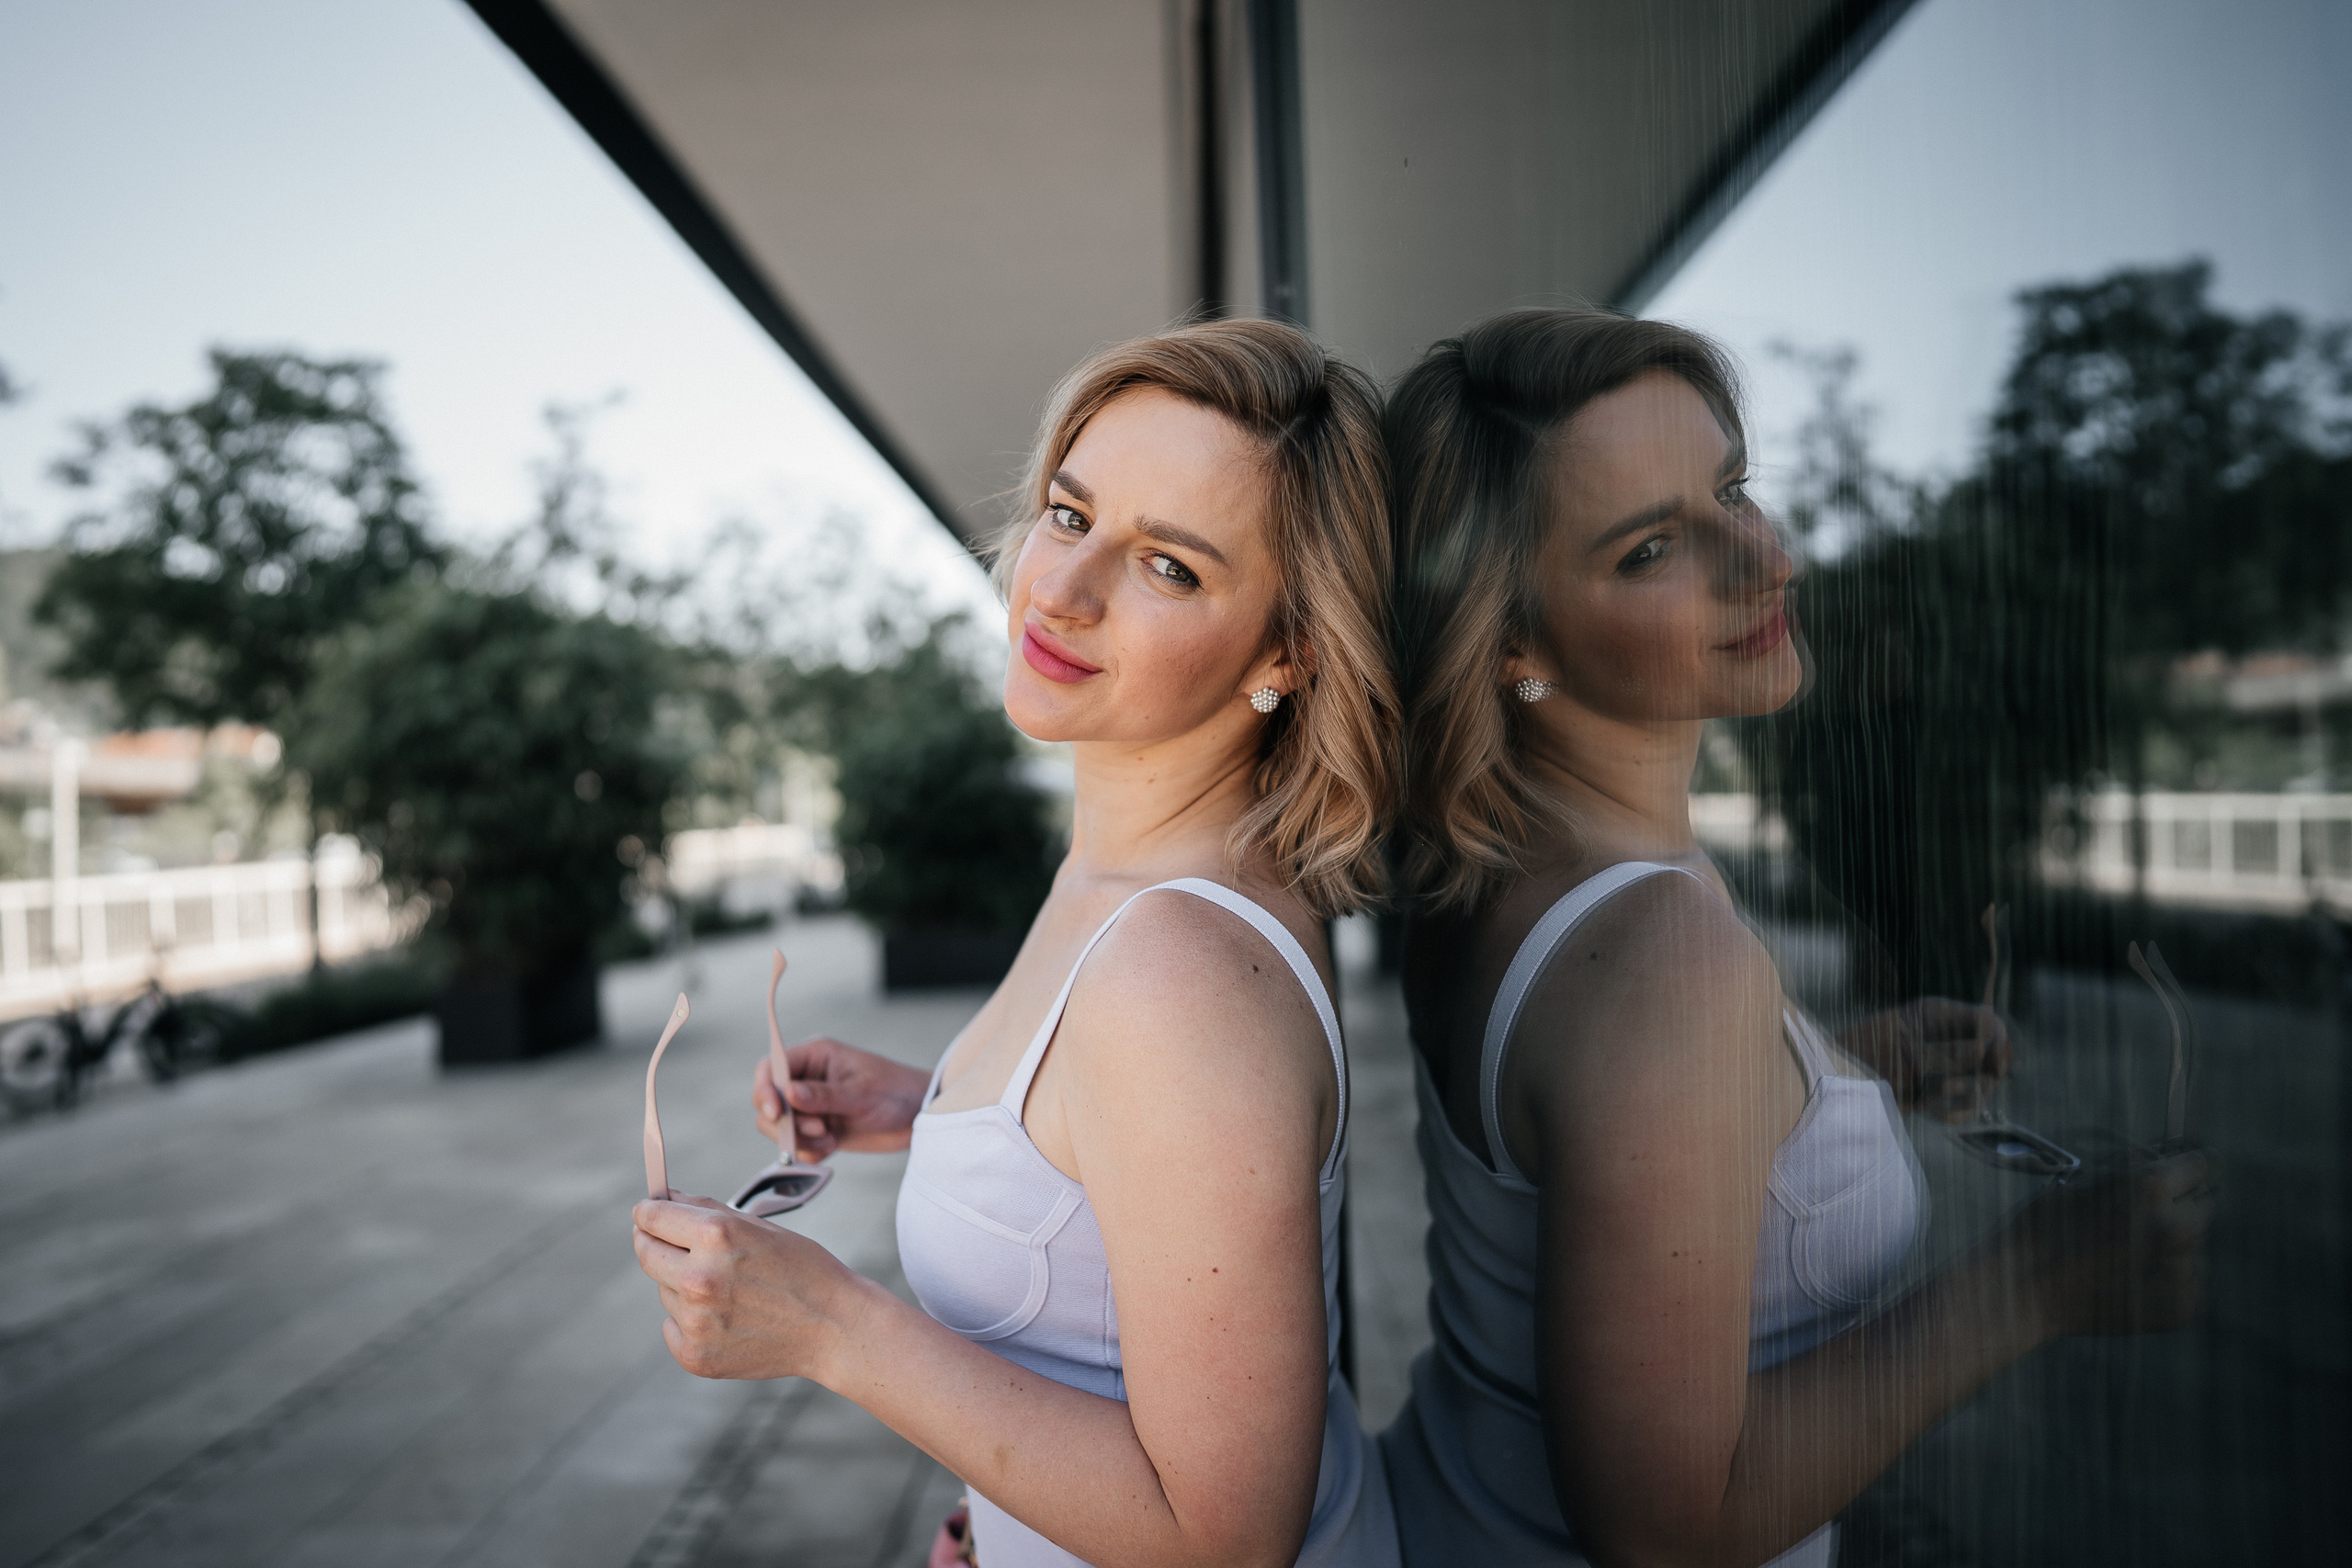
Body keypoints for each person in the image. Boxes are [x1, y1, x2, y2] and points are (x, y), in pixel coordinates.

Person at [1376, 308, 2216, 1568]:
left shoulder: (1496, 869)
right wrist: (2037, 1281)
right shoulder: (1663, 961)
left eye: (1732, 489)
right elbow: (1667, 1524)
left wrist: (1823, 1076)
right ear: (1509, 641)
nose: (1766, 561)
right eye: (1652, 548)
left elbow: (1573, 1136)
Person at [633, 319, 1401, 1568]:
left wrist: (827, 1323)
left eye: (1171, 569)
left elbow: (1226, 1539)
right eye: (1069, 512)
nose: (1061, 587)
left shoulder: (1175, 972)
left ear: (1288, 652)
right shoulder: (1127, 867)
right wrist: (950, 1112)